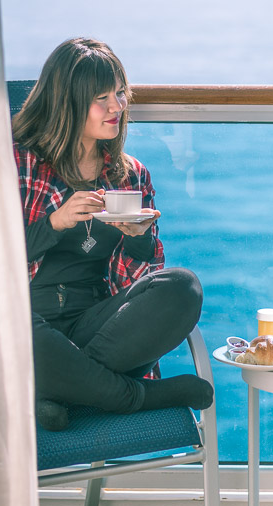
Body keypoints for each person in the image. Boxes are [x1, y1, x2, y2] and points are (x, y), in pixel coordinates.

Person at [12, 37, 213, 431]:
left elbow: (136, 285)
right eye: (102, 98)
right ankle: (135, 398)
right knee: (11, 333)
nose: (117, 107)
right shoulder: (18, 161)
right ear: (67, 102)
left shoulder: (130, 174)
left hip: (95, 325)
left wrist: (138, 236)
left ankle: (54, 390)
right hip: (27, 319)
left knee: (182, 287)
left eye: (120, 94)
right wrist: (54, 223)